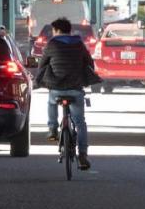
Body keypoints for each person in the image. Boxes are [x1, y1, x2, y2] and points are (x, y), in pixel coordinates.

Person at [35, 17, 101, 171]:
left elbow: (42, 64)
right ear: (69, 30)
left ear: (57, 30)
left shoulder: (52, 43)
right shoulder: (79, 44)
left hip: (56, 87)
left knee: (51, 102)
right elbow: (89, 63)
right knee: (80, 123)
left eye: (53, 30)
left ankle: (52, 129)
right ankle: (83, 155)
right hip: (75, 88)